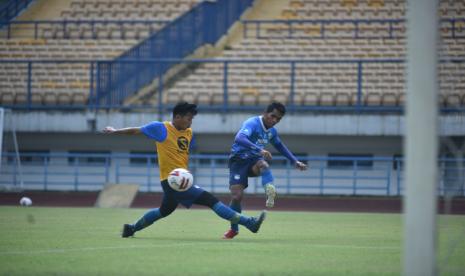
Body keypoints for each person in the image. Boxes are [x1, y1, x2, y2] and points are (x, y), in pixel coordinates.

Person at [102, 101, 266, 238]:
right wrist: (115, 131)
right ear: (177, 117)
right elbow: (135, 130)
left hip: (179, 179)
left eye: (192, 118)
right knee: (210, 200)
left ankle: (131, 228)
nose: (190, 121)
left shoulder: (188, 132)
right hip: (172, 180)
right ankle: (249, 223)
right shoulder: (161, 128)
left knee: (164, 211)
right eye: (188, 118)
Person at [223, 102, 307, 239]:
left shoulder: (272, 132)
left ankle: (269, 189)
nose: (274, 121)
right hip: (238, 161)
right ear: (265, 113)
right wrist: (259, 149)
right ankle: (234, 229)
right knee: (236, 197)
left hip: (253, 161)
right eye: (273, 116)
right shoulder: (252, 123)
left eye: (278, 119)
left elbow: (280, 146)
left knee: (263, 164)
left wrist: (294, 161)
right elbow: (239, 138)